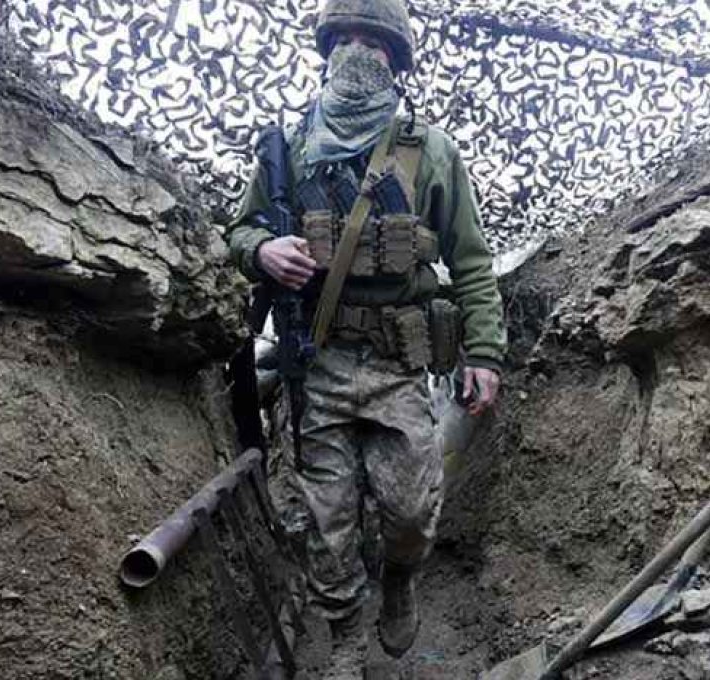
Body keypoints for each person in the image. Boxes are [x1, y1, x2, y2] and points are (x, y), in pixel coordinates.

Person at [222, 0, 505, 674]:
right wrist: (262, 251)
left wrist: (487, 353)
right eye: (345, 38)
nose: (358, 50)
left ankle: (401, 579)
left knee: (410, 508)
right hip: (316, 363)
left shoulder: (431, 151)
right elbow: (238, 229)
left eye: (373, 42)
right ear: (326, 50)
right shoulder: (287, 150)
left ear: (395, 60)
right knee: (325, 517)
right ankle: (345, 633)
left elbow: (469, 259)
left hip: (396, 361)